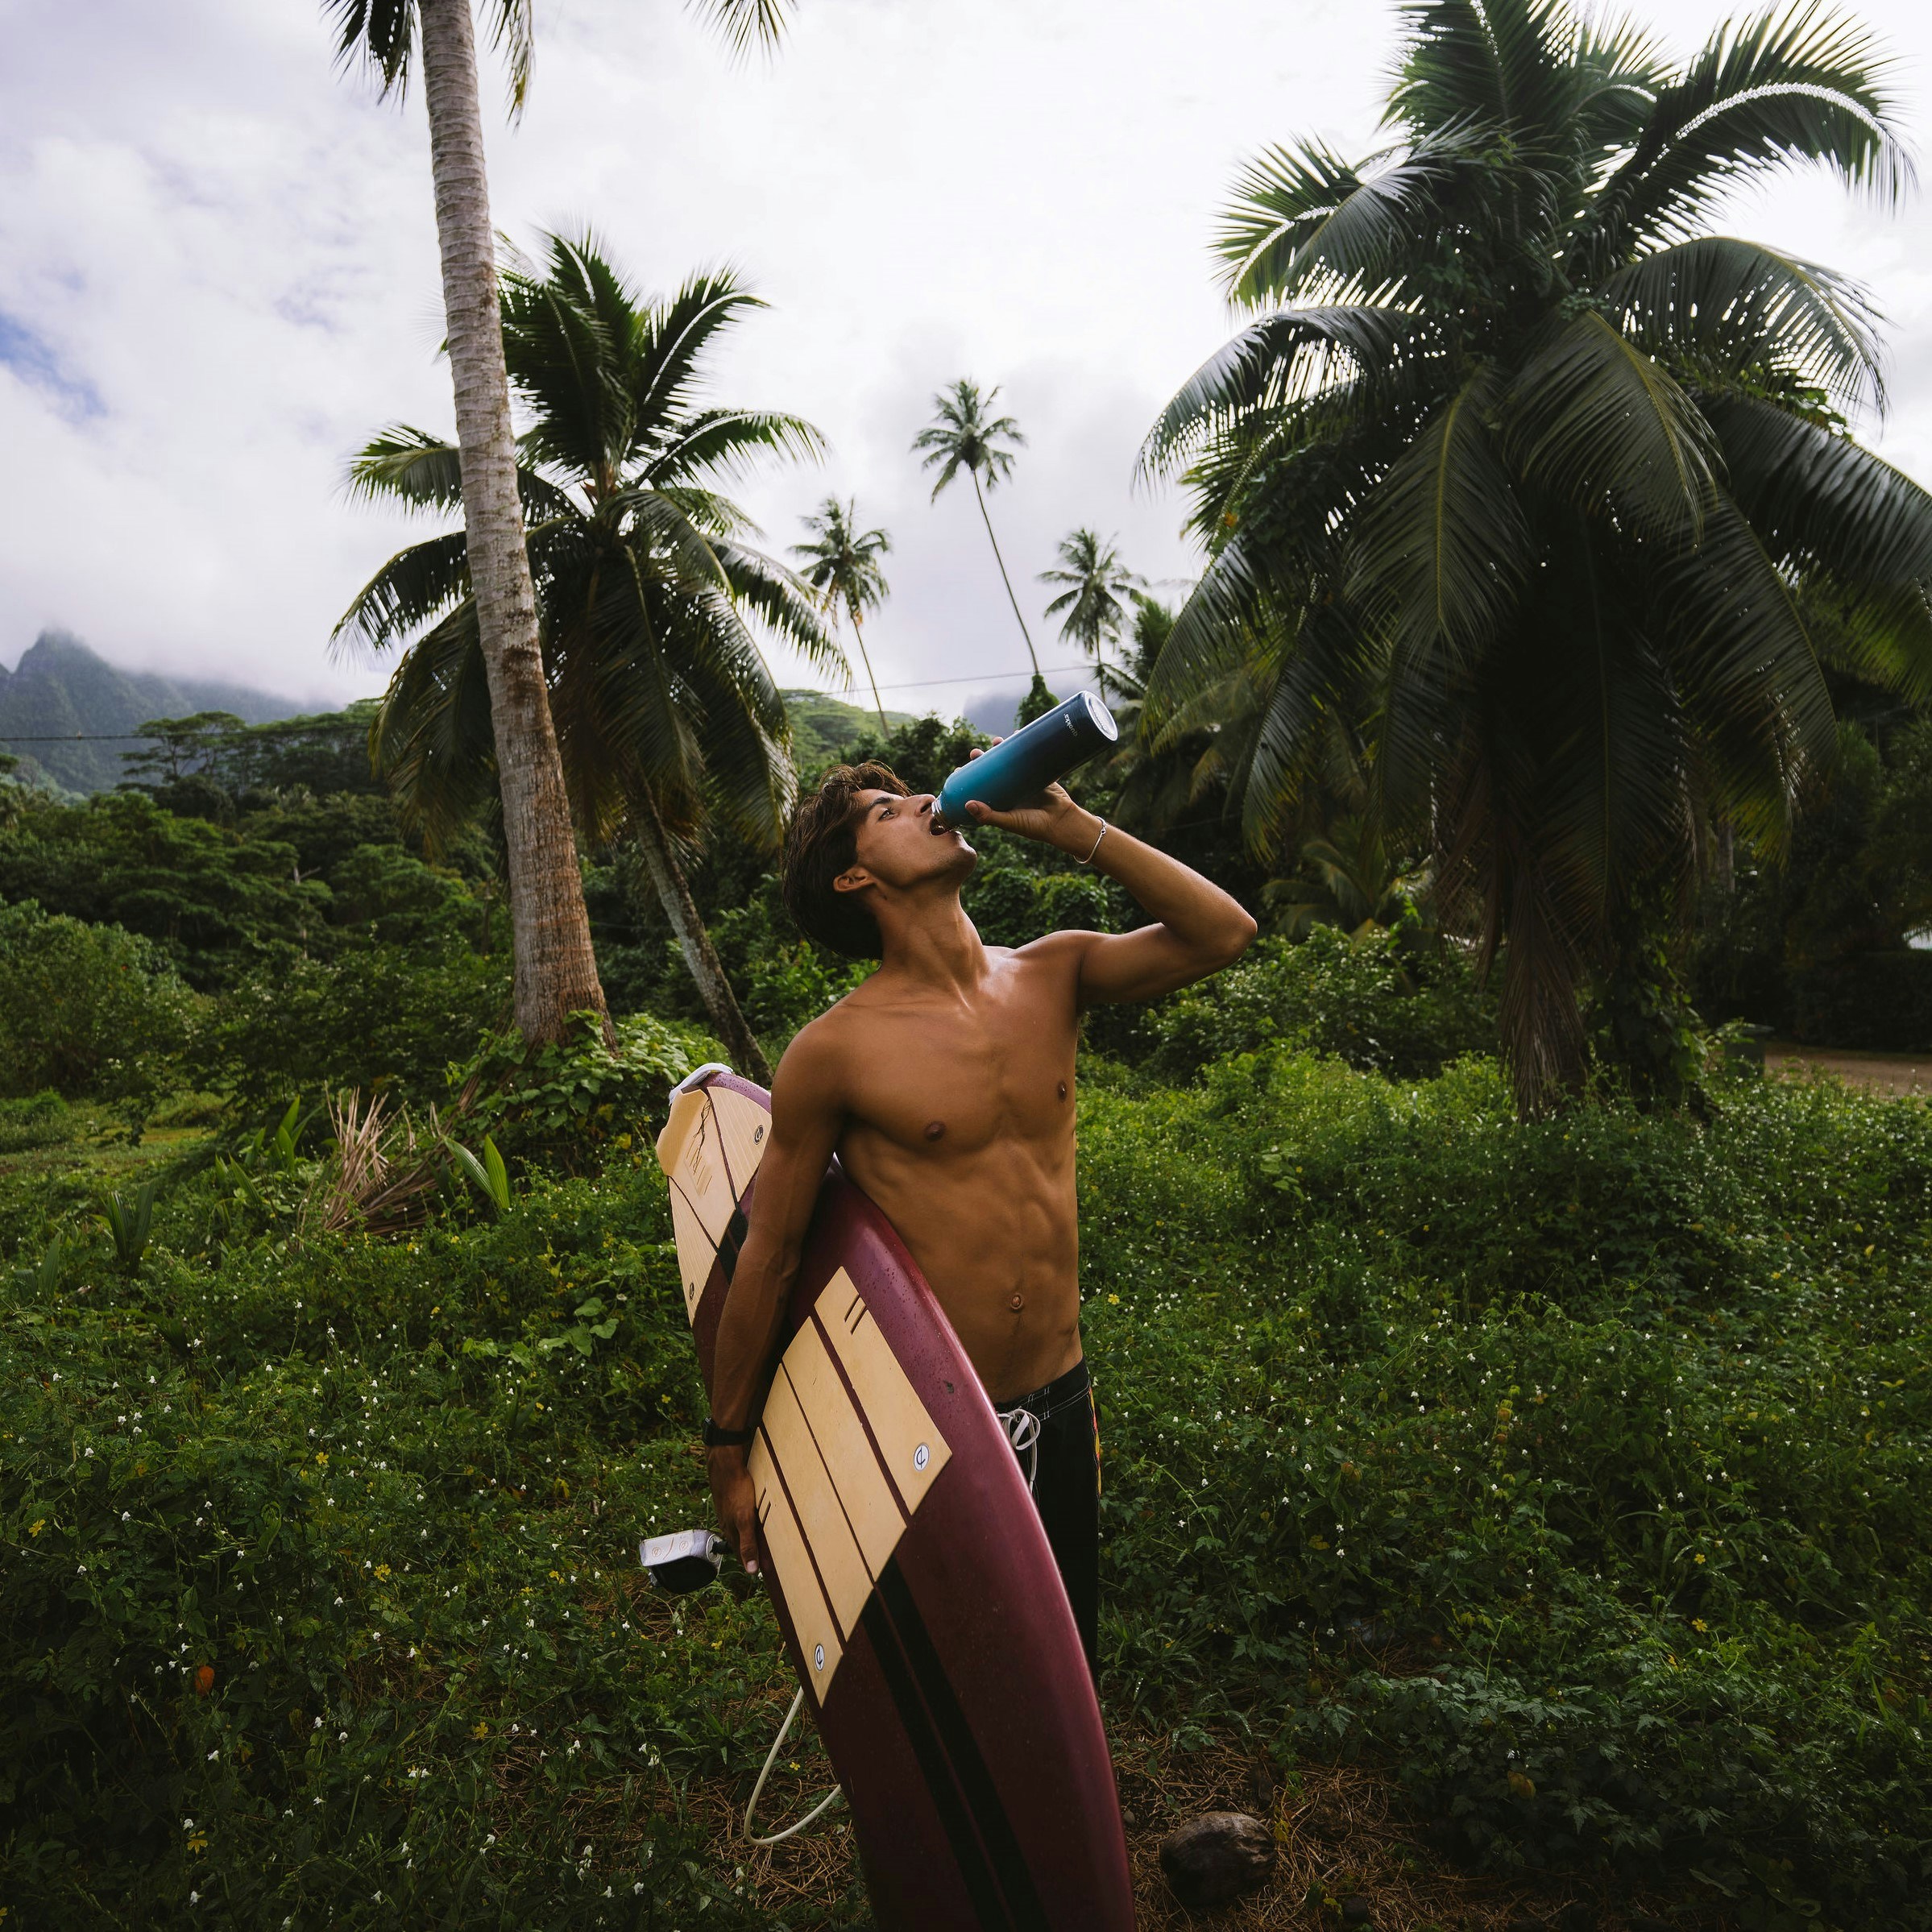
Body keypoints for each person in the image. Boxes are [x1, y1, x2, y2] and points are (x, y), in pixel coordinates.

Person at [702, 750, 1256, 1673]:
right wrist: (728, 1445)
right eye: (888, 808)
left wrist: (1077, 830)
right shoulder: (834, 1050)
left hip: (1062, 1395)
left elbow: (1221, 932)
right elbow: (771, 1253)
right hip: (933, 1422)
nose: (926, 799)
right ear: (854, 876)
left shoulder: (1054, 971)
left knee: (1065, 1660)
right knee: (961, 1671)